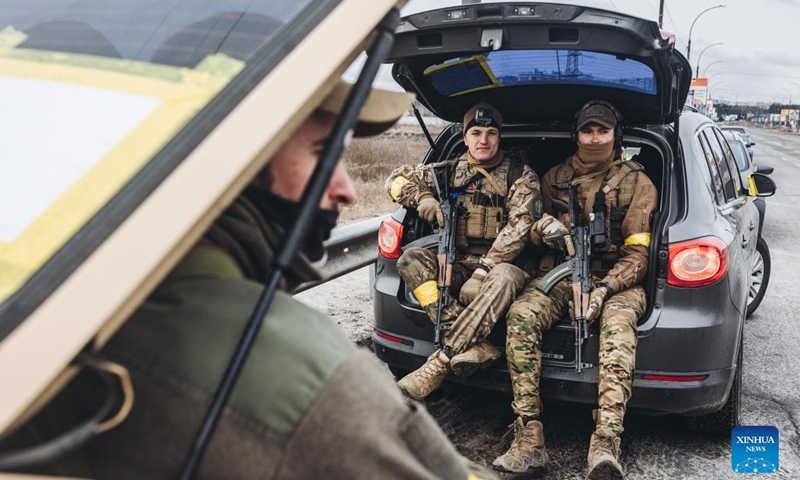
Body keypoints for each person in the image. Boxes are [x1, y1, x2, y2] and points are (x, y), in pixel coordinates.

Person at [41, 81, 499, 480]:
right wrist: (426, 203)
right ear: (236, 165)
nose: (346, 190)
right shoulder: (312, 372)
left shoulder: (67, 303)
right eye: (322, 155)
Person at [492, 101, 658, 479]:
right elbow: (528, 239)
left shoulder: (636, 182)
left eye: (603, 131)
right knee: (521, 316)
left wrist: (604, 290)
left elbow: (638, 255)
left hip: (617, 279)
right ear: (577, 134)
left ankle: (605, 444)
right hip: (563, 274)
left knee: (617, 327)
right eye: (588, 131)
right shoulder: (554, 177)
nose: (595, 138)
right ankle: (528, 438)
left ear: (616, 134)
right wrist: (540, 230)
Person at [386, 102, 542, 401]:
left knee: (505, 275)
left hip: (501, 269)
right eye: (476, 132)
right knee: (411, 259)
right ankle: (473, 343)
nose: (483, 140)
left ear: (500, 137)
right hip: (457, 264)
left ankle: (442, 359)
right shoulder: (446, 172)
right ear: (465, 137)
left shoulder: (521, 176)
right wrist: (422, 198)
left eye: (491, 133)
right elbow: (393, 180)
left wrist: (483, 271)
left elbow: (520, 227)